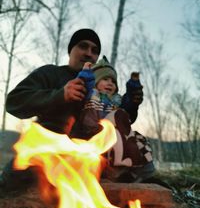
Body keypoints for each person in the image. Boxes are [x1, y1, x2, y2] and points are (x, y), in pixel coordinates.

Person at [0, 28, 152, 190]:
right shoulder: (51, 73)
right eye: (83, 46)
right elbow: (14, 101)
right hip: (49, 154)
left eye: (94, 51)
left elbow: (118, 120)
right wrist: (60, 95)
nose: (89, 53)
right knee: (14, 179)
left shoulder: (101, 87)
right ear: (70, 49)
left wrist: (133, 104)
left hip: (91, 160)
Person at [75, 56, 155, 183]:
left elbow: (129, 102)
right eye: (105, 79)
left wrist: (133, 86)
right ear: (96, 82)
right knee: (112, 145)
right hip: (92, 132)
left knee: (138, 141)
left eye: (113, 81)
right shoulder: (91, 94)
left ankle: (142, 173)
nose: (110, 83)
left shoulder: (116, 101)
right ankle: (115, 173)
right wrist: (86, 73)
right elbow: (84, 83)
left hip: (114, 136)